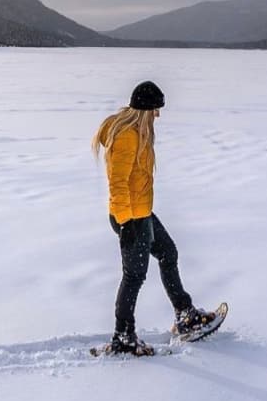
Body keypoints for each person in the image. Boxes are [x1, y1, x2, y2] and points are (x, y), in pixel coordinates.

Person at [91, 80, 215, 355]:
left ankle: (185, 315)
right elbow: (118, 183)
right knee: (133, 277)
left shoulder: (138, 132)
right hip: (131, 218)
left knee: (168, 253)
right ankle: (123, 337)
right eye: (156, 110)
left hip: (141, 212)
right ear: (144, 110)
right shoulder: (128, 136)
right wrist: (126, 223)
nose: (158, 115)